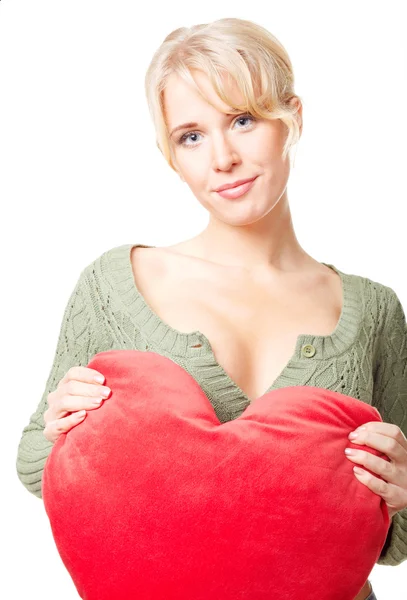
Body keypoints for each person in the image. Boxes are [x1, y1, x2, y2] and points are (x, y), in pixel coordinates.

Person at [16, 17, 406, 600]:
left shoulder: (373, 309)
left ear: (292, 117)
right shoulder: (114, 285)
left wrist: (404, 486)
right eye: (190, 136)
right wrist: (59, 427)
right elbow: (33, 465)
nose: (221, 157)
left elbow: (394, 541)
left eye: (242, 121)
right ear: (170, 155)